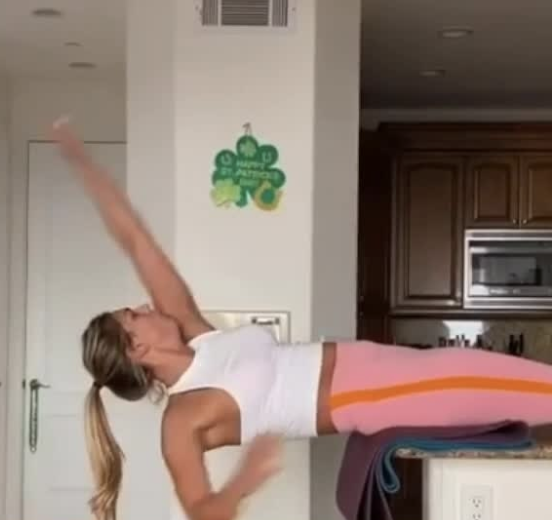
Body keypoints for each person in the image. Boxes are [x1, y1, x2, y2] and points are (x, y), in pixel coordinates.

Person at [50, 118, 552, 520]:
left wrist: (80, 161)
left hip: (377, 363)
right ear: (136, 348)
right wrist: (244, 481)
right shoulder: (181, 419)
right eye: (132, 315)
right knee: (532, 391)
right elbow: (202, 512)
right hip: (369, 396)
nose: (142, 306)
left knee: (529, 383)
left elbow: (136, 239)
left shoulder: (195, 333)